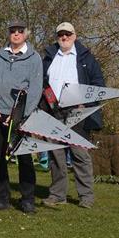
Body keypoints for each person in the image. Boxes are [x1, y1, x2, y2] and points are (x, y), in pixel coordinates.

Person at [0, 20, 43, 214]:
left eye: (20, 31)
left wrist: (20, 116)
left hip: (21, 116)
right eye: (13, 31)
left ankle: (27, 199)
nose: (16, 34)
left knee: (24, 159)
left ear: (26, 34)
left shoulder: (34, 59)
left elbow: (35, 89)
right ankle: (1, 198)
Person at [42, 22, 104, 209]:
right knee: (56, 155)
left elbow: (98, 83)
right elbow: (42, 81)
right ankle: (57, 195)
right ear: (57, 37)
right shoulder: (49, 57)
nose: (64, 37)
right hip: (54, 111)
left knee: (80, 154)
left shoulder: (87, 58)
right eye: (61, 34)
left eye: (67, 34)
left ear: (74, 36)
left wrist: (87, 103)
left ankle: (86, 196)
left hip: (78, 111)